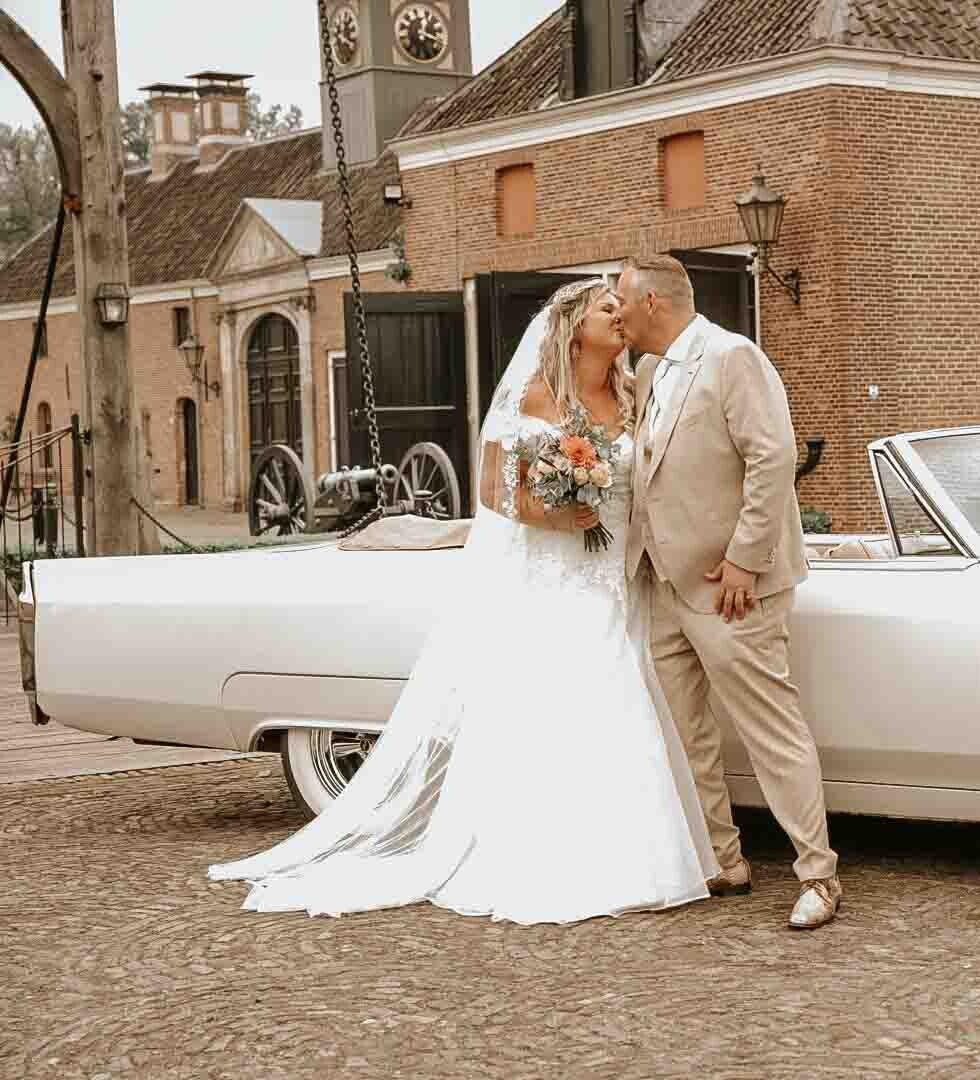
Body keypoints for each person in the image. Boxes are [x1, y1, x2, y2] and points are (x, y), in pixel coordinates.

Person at [208, 280, 718, 925]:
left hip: (618, 574)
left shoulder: (632, 393)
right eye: (607, 308)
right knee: (576, 697)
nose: (621, 317)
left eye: (623, 308)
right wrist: (558, 514)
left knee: (625, 694)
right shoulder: (533, 395)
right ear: (571, 326)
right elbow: (494, 493)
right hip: (555, 575)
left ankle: (635, 854)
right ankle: (555, 856)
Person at [614, 254, 842, 930]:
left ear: (652, 302)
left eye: (621, 300)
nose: (616, 313)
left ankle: (819, 875)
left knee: (771, 729)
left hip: (730, 589)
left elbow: (774, 456)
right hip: (664, 584)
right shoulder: (649, 371)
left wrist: (745, 560)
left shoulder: (733, 357)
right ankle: (723, 859)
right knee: (688, 731)